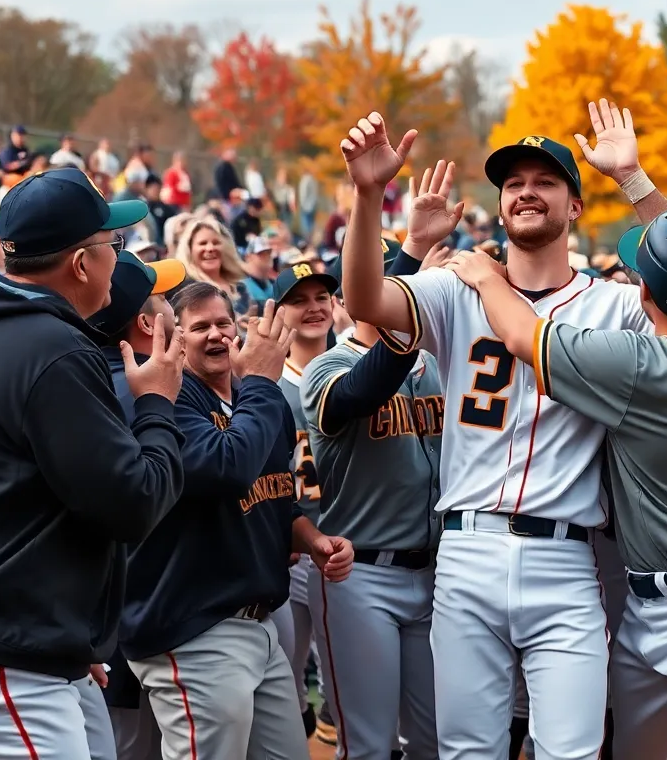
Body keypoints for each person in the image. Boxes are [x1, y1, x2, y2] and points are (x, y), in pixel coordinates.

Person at [338, 100, 667, 759]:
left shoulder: (612, 303)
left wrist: (633, 179)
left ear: (575, 206)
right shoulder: (455, 287)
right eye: (513, 182)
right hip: (466, 551)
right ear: (500, 206)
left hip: (567, 555)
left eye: (546, 180)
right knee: (468, 752)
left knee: (572, 752)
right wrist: (367, 194)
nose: (526, 190)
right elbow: (363, 301)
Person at [444, 207, 667, 760]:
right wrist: (636, 182)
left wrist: (487, 275)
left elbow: (518, 333)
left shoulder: (636, 365)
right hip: (657, 605)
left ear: (647, 296)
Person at [0, 166, 188, 757]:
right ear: (81, 264)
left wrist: (65, 632)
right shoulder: (49, 346)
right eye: (113, 245)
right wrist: (156, 403)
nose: (116, 256)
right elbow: (132, 503)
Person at [121, 288, 355, 760]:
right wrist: (265, 384)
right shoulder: (171, 394)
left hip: (258, 620)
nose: (215, 335)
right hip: (193, 624)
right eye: (200, 326)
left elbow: (272, 496)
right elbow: (225, 469)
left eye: (223, 324)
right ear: (178, 339)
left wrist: (312, 539)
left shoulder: (250, 397)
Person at [302, 238, 444, 760]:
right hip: (361, 574)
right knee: (369, 745)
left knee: (436, 741)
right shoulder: (327, 366)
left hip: (437, 572)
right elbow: (360, 393)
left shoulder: (436, 361)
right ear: (349, 298)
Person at [90, 250, 188, 760]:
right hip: (146, 609)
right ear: (148, 323)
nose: (175, 308)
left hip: (114, 613)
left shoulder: (91, 380)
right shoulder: (142, 393)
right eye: (166, 301)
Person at [270, 259, 340, 740]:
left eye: (321, 297)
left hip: (344, 542)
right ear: (279, 312)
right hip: (291, 547)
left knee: (343, 685)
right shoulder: (268, 382)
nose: (313, 308)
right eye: (298, 300)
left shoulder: (354, 368)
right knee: (288, 680)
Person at [175, 216, 251, 314]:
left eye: (216, 243)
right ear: (189, 250)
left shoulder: (240, 287)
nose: (210, 248)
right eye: (203, 243)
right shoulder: (185, 290)